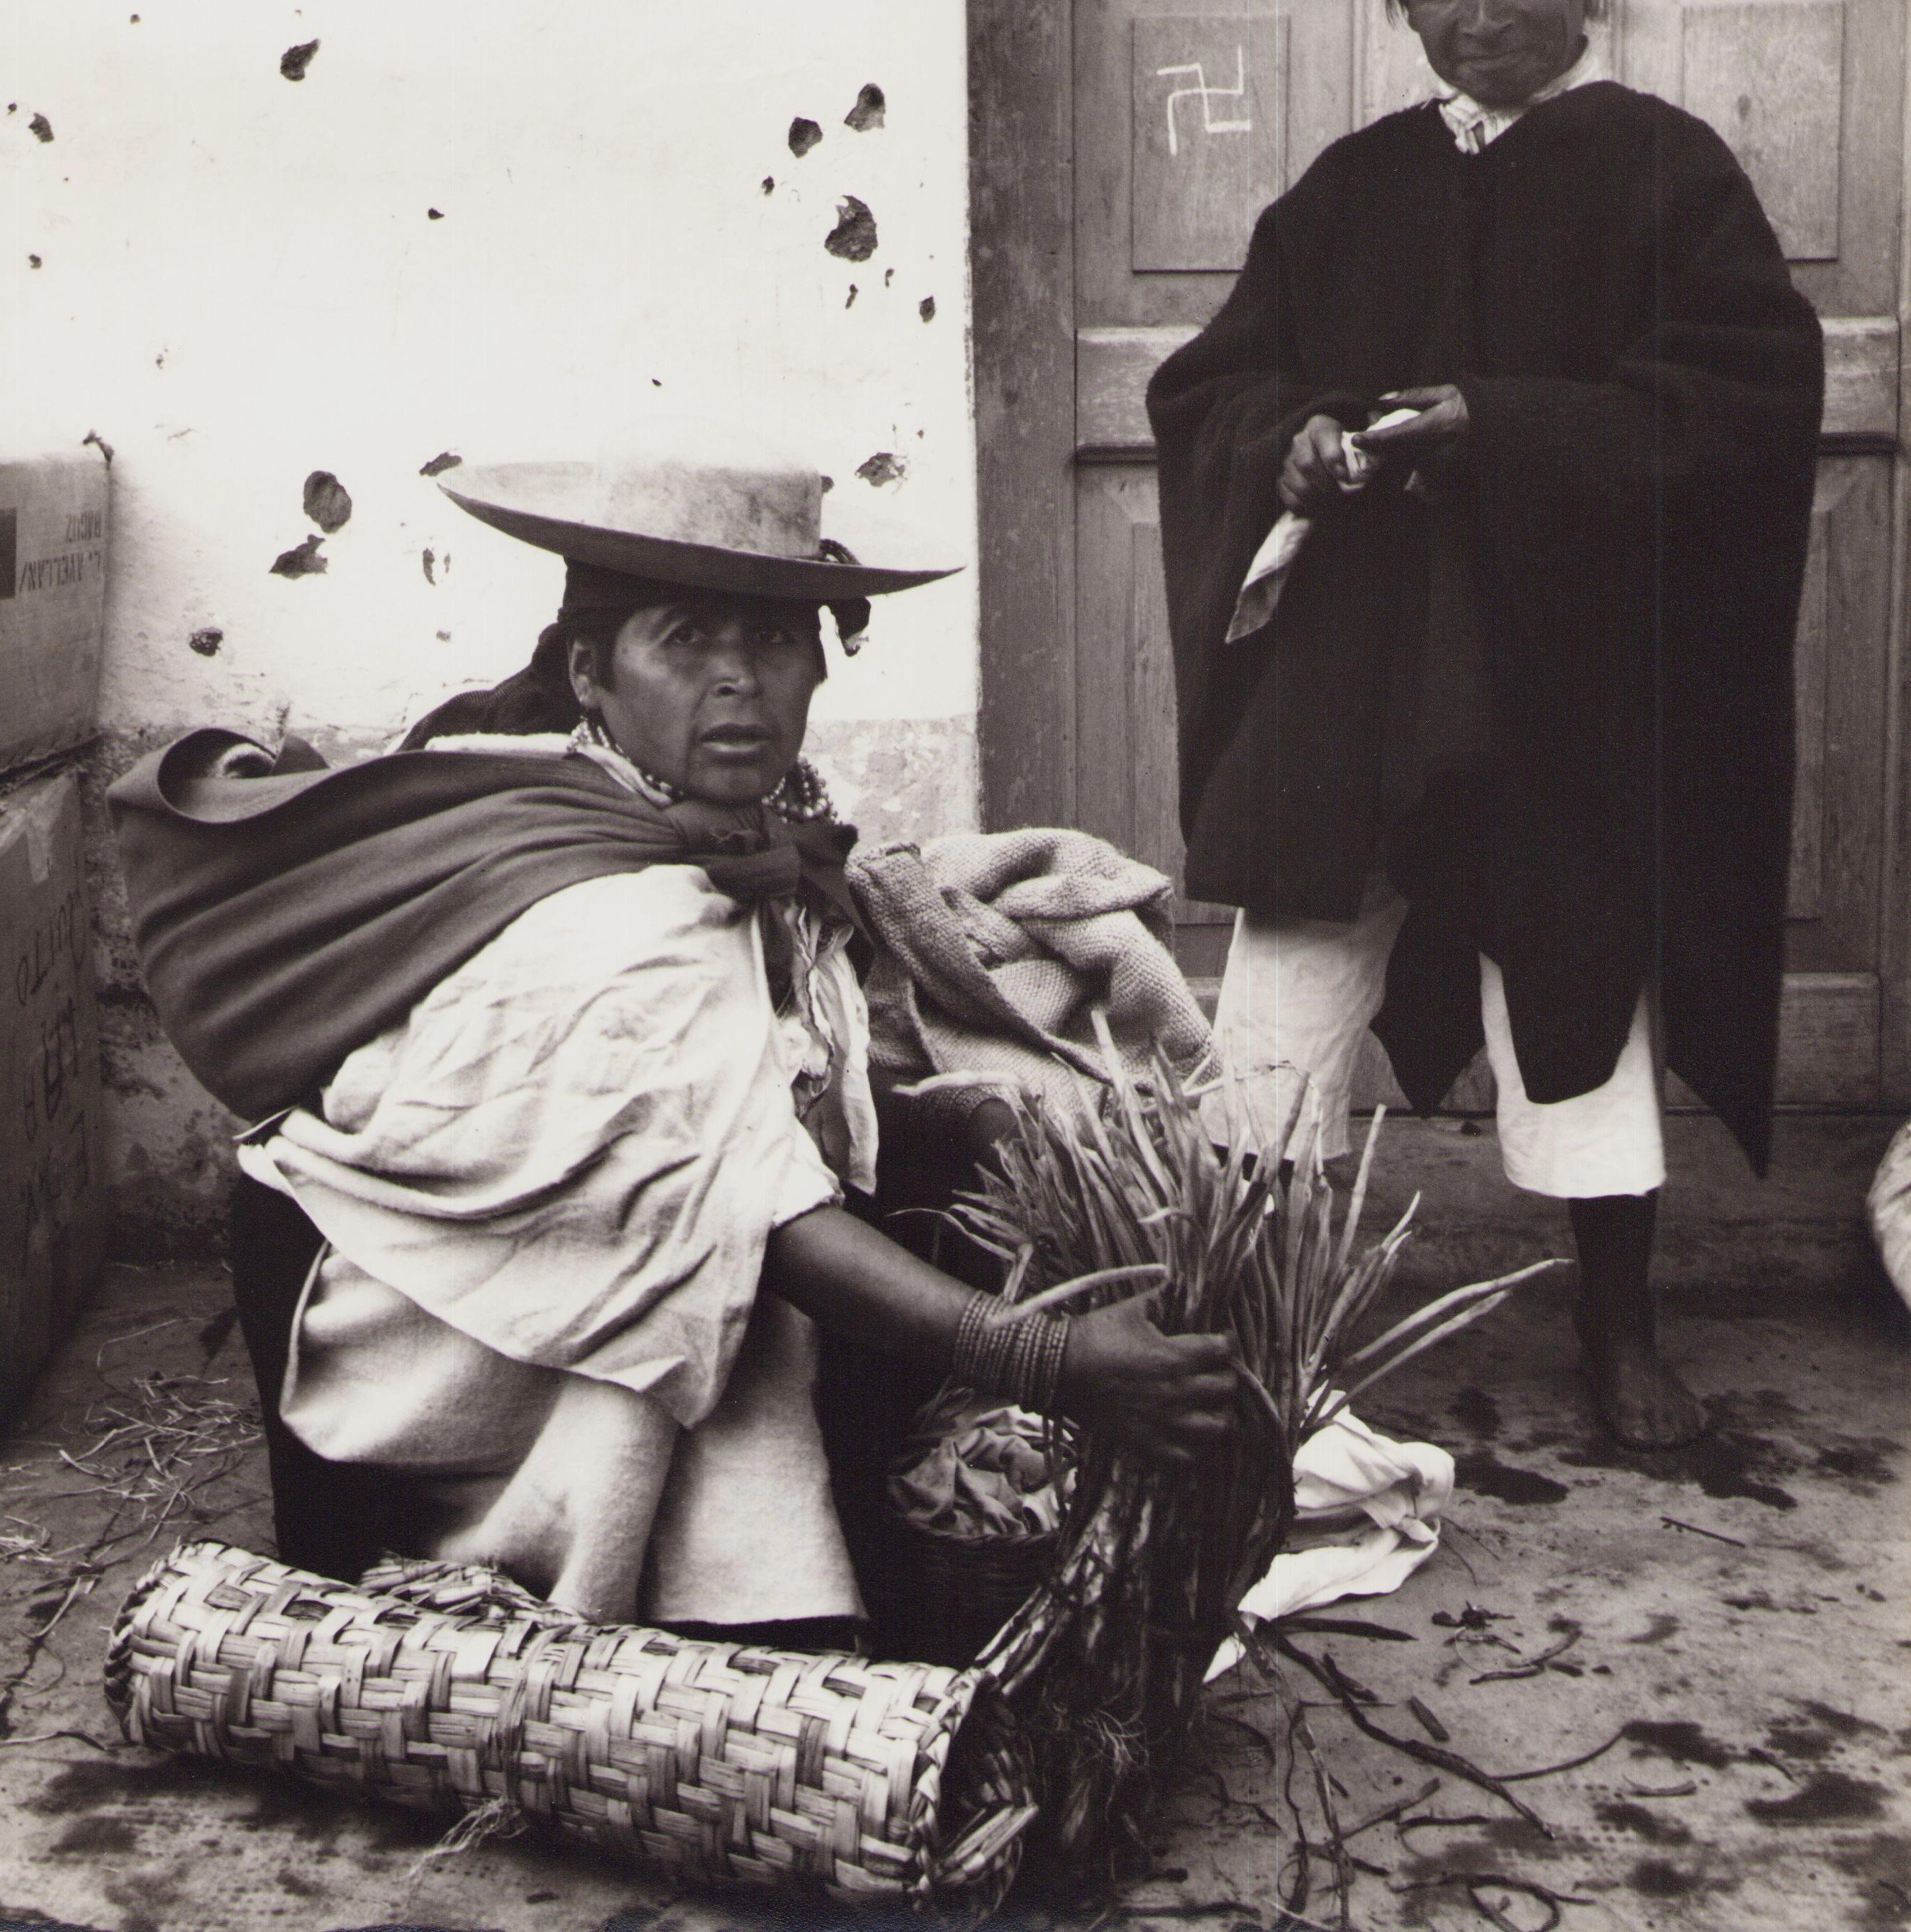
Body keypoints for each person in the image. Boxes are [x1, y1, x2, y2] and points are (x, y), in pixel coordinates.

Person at [111, 425, 1236, 1643]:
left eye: (770, 640)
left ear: (817, 668)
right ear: (591, 672)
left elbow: (759, 1098)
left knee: (950, 1155)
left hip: (536, 1244)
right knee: (822, 1407)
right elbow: (766, 1217)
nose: (737, 679)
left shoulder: (686, 816)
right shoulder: (616, 912)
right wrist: (1053, 1365)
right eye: (684, 639)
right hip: (415, 1326)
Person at [1148, 0, 1822, 1449]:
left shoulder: (1666, 174)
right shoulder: (1342, 196)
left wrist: (1499, 430)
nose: (1484, 8)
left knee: (1578, 981)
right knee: (1287, 974)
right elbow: (1210, 394)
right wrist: (1290, 442)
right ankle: (1234, 1329)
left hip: (1559, 676)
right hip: (1351, 672)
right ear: (1394, 1)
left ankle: (1616, 1332)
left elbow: (1739, 401)